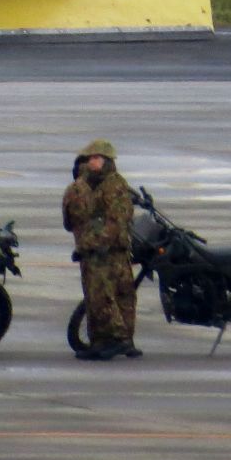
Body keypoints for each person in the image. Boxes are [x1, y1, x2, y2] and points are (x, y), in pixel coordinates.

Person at [62, 139, 140, 361]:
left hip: (108, 251)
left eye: (97, 158)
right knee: (101, 297)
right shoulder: (90, 185)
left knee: (109, 297)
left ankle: (119, 339)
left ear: (107, 161)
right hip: (99, 250)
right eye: (91, 158)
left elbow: (117, 219)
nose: (93, 162)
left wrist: (97, 241)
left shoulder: (113, 185)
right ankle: (102, 341)